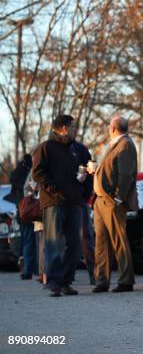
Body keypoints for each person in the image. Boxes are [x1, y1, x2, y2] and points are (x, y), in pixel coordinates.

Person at [31, 115, 83, 297]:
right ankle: (53, 282)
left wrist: (82, 180)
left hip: (74, 203)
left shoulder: (73, 150)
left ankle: (66, 281)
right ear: (63, 128)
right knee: (53, 243)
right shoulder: (45, 147)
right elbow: (37, 173)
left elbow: (76, 173)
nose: (76, 130)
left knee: (75, 244)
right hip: (54, 203)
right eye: (73, 127)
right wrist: (53, 189)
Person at [90, 116, 138, 293]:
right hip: (99, 199)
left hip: (112, 201)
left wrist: (118, 198)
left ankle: (126, 281)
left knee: (119, 240)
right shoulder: (112, 145)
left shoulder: (125, 145)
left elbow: (126, 175)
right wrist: (96, 170)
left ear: (112, 128)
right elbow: (111, 170)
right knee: (101, 242)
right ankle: (102, 280)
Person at [70, 140, 96, 285]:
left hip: (79, 200)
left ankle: (93, 274)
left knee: (86, 239)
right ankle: (67, 276)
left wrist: (85, 195)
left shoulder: (80, 149)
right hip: (69, 200)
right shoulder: (54, 149)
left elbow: (89, 172)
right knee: (82, 239)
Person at [8, 154, 35, 280]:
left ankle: (28, 269)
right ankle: (31, 269)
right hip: (31, 212)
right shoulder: (28, 174)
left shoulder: (16, 177)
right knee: (32, 241)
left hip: (23, 213)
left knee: (27, 242)